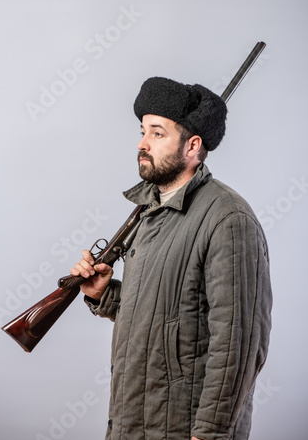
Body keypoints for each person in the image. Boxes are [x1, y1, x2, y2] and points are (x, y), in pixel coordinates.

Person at [70, 77, 272, 440]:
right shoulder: (151, 211)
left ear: (193, 145)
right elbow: (168, 319)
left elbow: (238, 347)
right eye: (143, 130)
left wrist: (208, 433)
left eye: (157, 133)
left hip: (181, 429)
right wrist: (105, 294)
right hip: (131, 421)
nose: (141, 143)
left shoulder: (228, 219)